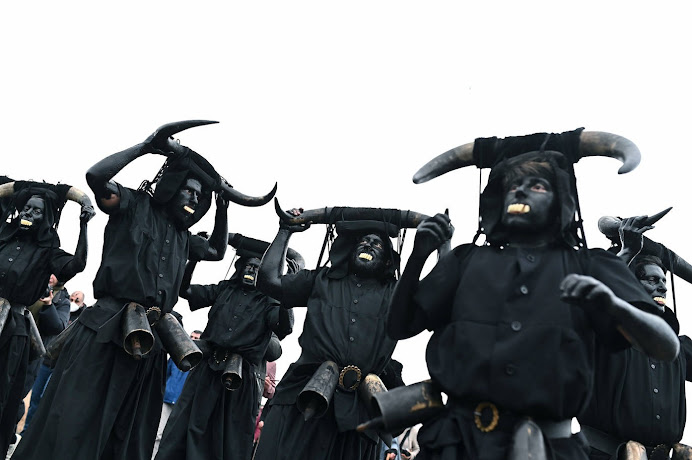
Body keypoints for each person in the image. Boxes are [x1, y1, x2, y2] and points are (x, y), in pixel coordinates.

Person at [386, 129, 680, 460]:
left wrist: (613, 306)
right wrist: (417, 257)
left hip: (548, 449)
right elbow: (399, 327)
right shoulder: (465, 260)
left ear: (560, 201)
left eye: (537, 185)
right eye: (512, 185)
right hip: (453, 446)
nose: (521, 189)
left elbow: (665, 346)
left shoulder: (592, 266)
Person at [14, 120, 275, 460]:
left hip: (150, 341)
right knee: (75, 421)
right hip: (104, 331)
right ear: (171, 185)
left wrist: (223, 207)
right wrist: (146, 146)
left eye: (200, 196)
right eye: (188, 190)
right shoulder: (132, 204)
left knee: (131, 433)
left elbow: (217, 251)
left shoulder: (185, 237)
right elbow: (95, 177)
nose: (194, 199)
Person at [253, 206, 426, 460]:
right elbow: (269, 281)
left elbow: (437, 305)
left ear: (389, 260)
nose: (367, 245)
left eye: (377, 244)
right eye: (363, 241)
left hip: (358, 413)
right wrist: (285, 230)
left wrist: (433, 245)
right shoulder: (322, 279)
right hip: (301, 398)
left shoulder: (396, 295)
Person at [154, 234, 294, 460]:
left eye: (257, 269)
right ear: (239, 269)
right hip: (207, 371)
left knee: (228, 441)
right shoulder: (224, 290)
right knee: (182, 429)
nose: (251, 271)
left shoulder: (269, 302)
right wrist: (193, 260)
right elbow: (185, 290)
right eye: (247, 266)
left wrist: (286, 290)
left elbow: (285, 328)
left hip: (240, 382)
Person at [579, 213, 692, 460]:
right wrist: (627, 251)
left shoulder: (679, 348)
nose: (662, 286)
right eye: (652, 279)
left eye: (663, 280)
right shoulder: (601, 331)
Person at [0, 180, 93, 458]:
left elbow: (77, 264)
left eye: (37, 212)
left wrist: (83, 225)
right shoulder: (3, 236)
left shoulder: (48, 251)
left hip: (12, 328)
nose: (28, 214)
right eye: (26, 209)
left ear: (48, 218)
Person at [19, 274, 71, 434]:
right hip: (15, 342)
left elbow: (58, 327)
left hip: (34, 354)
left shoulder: (62, 299)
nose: (51, 276)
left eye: (56, 274)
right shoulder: (32, 283)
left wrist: (49, 305)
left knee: (18, 397)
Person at [150, 329, 201, 459]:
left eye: (196, 338)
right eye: (191, 336)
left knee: (172, 437)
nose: (193, 339)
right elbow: (165, 374)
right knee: (157, 433)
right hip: (167, 399)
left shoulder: (199, 363)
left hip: (182, 404)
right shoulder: (176, 355)